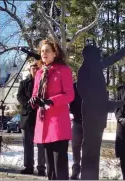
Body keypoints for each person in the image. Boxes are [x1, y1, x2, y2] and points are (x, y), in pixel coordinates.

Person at [77, 33, 125, 180]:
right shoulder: (88, 70)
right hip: (92, 117)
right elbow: (91, 98)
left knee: (93, 150)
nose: (100, 56)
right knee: (90, 150)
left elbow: (114, 57)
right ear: (91, 56)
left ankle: (90, 177)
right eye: (98, 54)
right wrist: (113, 104)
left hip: (95, 116)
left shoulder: (91, 68)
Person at [29, 39, 74, 180]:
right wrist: (34, 101)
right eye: (42, 51)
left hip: (58, 121)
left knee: (59, 163)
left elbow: (69, 95)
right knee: (49, 164)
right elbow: (35, 94)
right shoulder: (39, 73)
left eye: (47, 50)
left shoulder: (63, 70)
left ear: (55, 53)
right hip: (44, 122)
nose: (44, 53)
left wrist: (51, 101)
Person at [17, 62, 46, 176]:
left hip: (40, 117)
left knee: (41, 145)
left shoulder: (43, 82)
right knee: (27, 145)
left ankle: (41, 168)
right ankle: (28, 167)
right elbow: (20, 96)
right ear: (29, 70)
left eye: (36, 68)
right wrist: (29, 103)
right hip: (27, 117)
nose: (34, 70)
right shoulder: (24, 83)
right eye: (32, 68)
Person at [70, 73, 83, 180]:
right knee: (75, 145)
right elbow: (69, 102)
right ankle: (76, 170)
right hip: (77, 120)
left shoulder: (93, 87)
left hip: (91, 122)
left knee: (88, 148)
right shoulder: (73, 87)